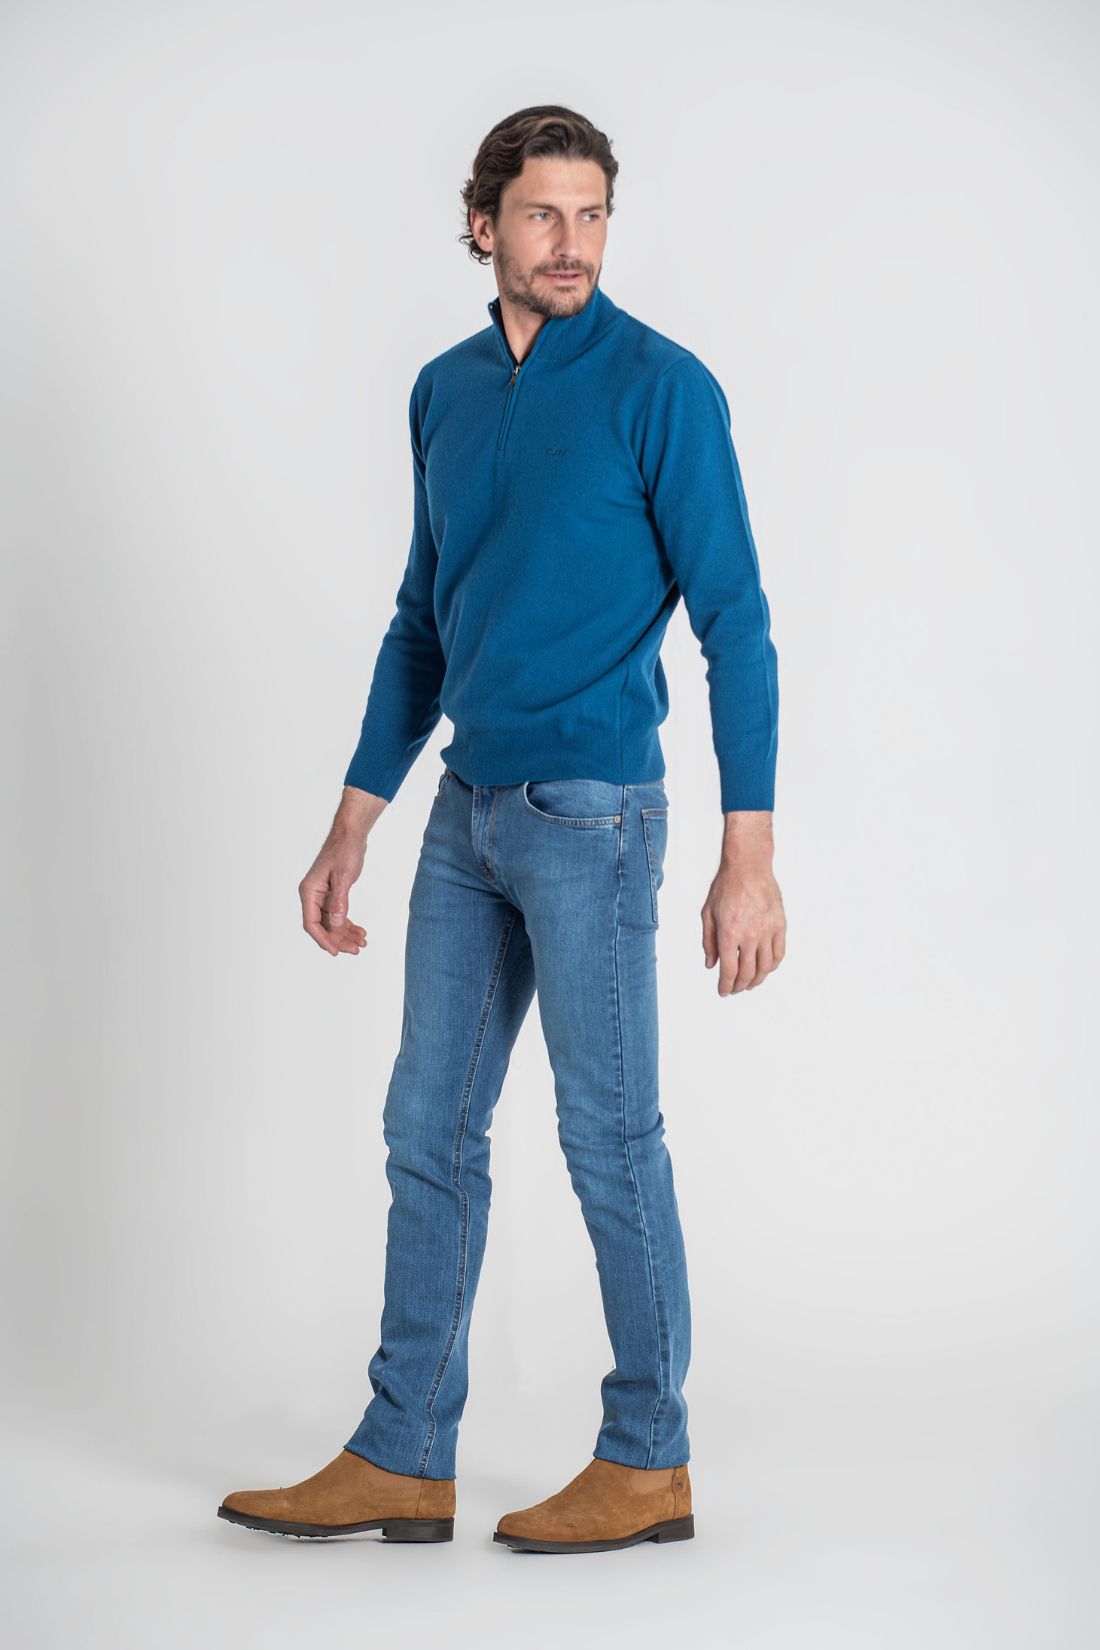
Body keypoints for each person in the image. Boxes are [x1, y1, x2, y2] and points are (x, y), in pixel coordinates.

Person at [218, 103, 785, 1555]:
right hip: (465, 813)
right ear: (484, 225)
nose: (572, 243)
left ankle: (648, 1457)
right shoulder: (445, 391)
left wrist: (750, 855)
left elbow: (737, 624)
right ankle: (404, 1451)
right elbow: (425, 620)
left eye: (593, 215)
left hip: (595, 814)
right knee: (427, 1126)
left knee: (610, 1137)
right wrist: (351, 823)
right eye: (543, 214)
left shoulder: (664, 388)